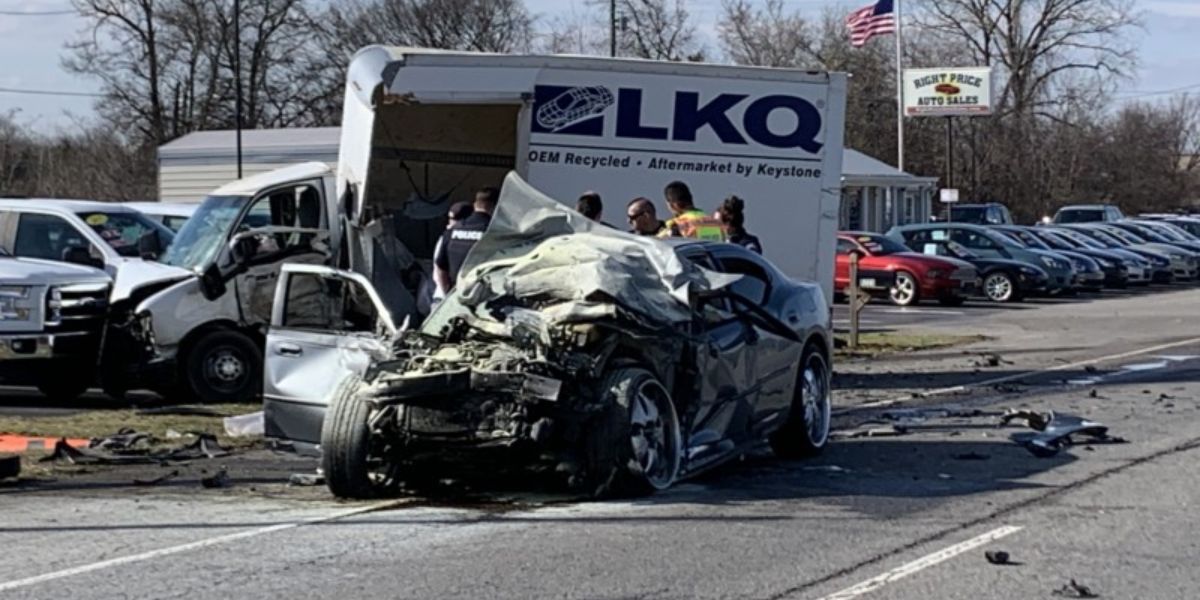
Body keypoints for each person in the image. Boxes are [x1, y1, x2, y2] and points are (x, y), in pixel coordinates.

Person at [434, 187, 497, 296]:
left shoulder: (452, 231)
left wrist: (447, 295)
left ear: (475, 205)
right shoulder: (495, 233)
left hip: (456, 298)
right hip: (484, 299)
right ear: (496, 207)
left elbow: (440, 268)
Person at [426, 201, 474, 308]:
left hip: (443, 295)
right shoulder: (448, 237)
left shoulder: (446, 236)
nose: (451, 223)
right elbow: (440, 269)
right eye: (451, 219)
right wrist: (447, 294)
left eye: (454, 220)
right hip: (448, 296)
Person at [657, 180, 724, 241]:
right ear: (691, 198)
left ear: (672, 205)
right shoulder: (715, 223)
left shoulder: (677, 225)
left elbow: (656, 243)